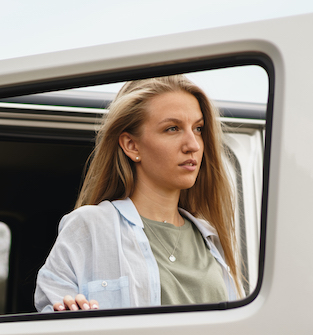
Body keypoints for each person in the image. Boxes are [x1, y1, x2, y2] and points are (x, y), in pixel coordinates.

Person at [34, 75, 243, 313]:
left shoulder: (211, 239)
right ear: (131, 145)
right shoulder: (90, 227)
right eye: (172, 128)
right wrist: (69, 316)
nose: (193, 144)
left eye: (197, 128)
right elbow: (51, 320)